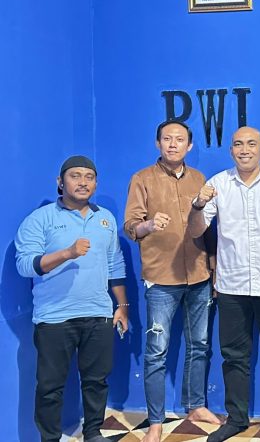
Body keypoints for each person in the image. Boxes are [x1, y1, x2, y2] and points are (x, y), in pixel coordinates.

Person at [189, 126, 260, 442]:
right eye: (238, 144)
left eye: (252, 144)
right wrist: (197, 205)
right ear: (231, 150)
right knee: (233, 358)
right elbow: (196, 231)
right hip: (232, 286)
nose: (245, 149)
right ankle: (236, 419)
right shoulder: (217, 184)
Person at [15, 155, 128, 442]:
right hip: (55, 317)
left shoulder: (105, 219)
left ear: (96, 183)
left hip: (99, 314)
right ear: (60, 182)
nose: (83, 182)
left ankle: (93, 432)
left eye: (89, 177)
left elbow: (115, 265)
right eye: (75, 176)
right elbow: (25, 265)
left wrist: (122, 306)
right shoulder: (40, 219)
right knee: (50, 387)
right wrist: (67, 253)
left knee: (96, 381)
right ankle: (50, 438)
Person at [124, 121, 220, 442]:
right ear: (158, 143)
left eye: (180, 139)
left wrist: (213, 267)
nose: (173, 144)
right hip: (161, 277)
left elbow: (207, 228)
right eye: (167, 139)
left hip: (199, 275)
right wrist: (149, 225)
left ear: (189, 146)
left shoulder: (199, 179)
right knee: (156, 351)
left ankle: (196, 406)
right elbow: (131, 226)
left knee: (200, 345)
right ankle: (155, 421)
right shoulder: (142, 179)